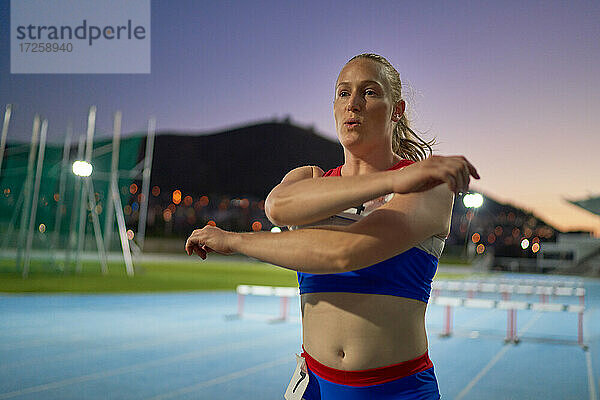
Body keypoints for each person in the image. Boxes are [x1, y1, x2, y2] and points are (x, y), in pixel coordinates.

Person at [185, 53, 480, 399]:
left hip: (395, 389)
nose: (353, 103)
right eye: (343, 93)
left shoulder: (429, 186)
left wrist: (233, 242)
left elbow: (345, 253)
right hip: (316, 387)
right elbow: (276, 207)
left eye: (369, 92)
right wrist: (391, 182)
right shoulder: (308, 178)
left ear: (396, 110)